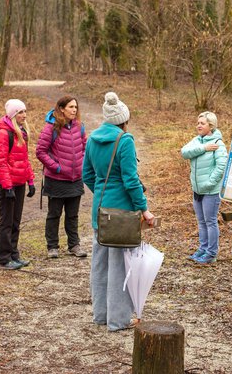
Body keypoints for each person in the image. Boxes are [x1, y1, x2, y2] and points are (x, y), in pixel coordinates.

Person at [83, 92, 155, 331]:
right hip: (122, 212)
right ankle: (119, 320)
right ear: (123, 119)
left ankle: (101, 315)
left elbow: (87, 175)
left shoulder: (93, 138)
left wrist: (103, 192)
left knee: (100, 264)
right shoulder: (124, 140)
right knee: (121, 266)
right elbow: (131, 181)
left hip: (100, 209)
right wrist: (144, 209)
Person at [36, 96, 88, 259]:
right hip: (56, 179)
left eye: (76, 107)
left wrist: (82, 165)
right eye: (71, 107)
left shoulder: (80, 127)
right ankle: (52, 246)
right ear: (62, 109)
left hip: (75, 179)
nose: (74, 110)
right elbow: (41, 152)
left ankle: (74, 245)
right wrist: (57, 167)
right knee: (54, 214)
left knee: (73, 215)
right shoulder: (51, 127)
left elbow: (86, 148)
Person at [0, 99, 36, 270]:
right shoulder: (3, 134)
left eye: (25, 111)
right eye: (20, 112)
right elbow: (1, 163)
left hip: (19, 183)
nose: (24, 115)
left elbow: (24, 160)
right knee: (7, 221)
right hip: (7, 184)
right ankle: (4, 258)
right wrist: (7, 186)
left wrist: (31, 181)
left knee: (16, 221)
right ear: (12, 114)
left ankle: (14, 254)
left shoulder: (21, 132)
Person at [181, 111, 228, 264]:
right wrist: (203, 148)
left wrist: (208, 183)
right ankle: (203, 248)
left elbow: (222, 166)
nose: (198, 125)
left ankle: (211, 253)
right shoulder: (197, 141)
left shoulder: (218, 144)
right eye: (198, 123)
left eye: (202, 123)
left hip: (210, 191)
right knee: (201, 222)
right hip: (197, 190)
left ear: (211, 126)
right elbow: (184, 152)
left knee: (210, 221)